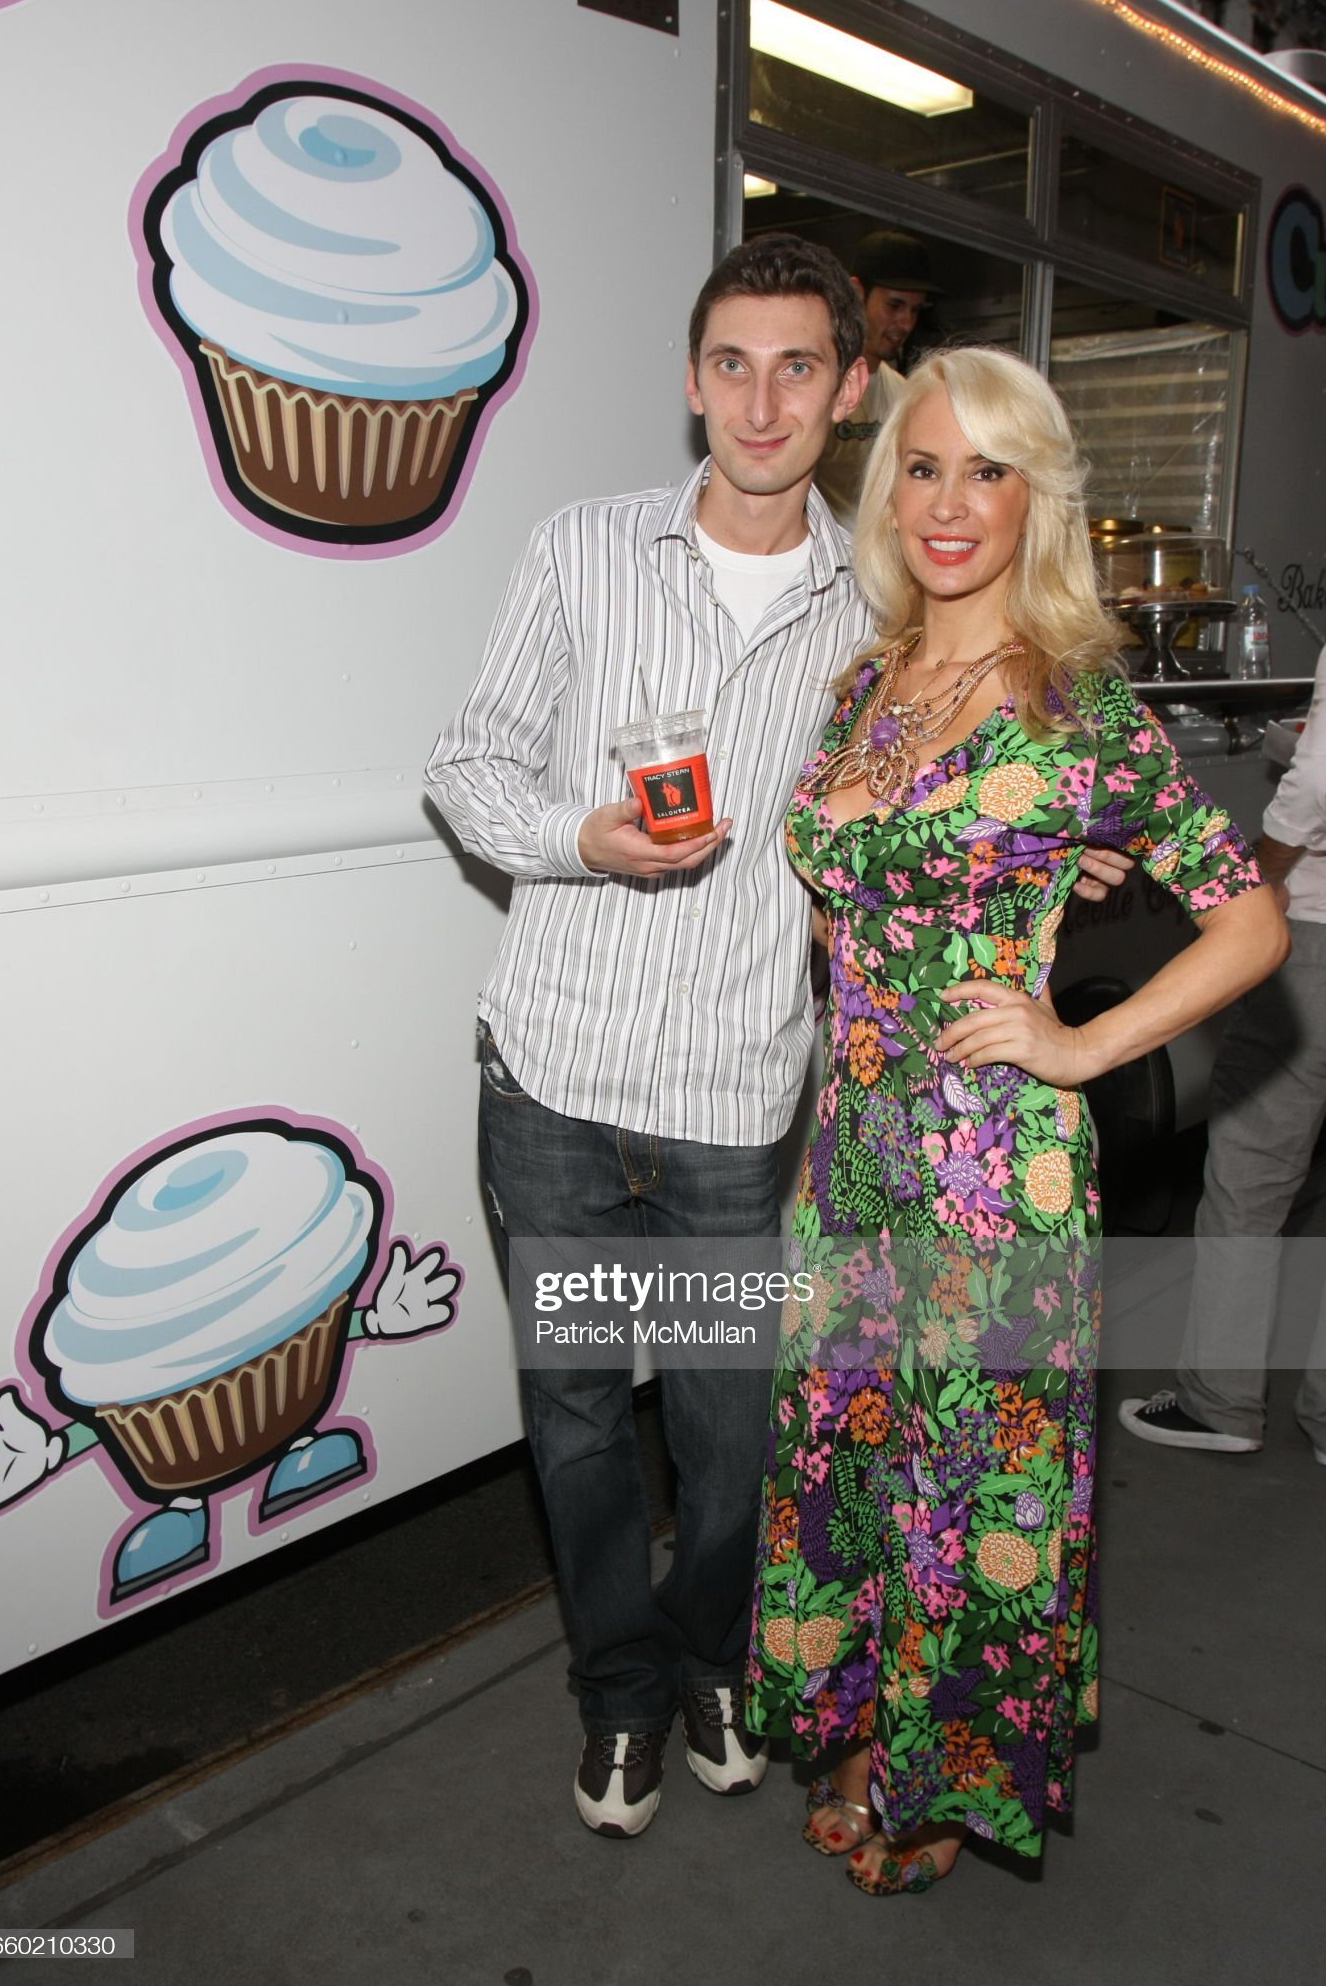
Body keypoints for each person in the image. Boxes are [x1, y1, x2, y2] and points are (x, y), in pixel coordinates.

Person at [426, 240, 1126, 1842]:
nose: (761, 402)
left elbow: (972, 767)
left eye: (797, 366)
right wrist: (580, 840)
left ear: (850, 387)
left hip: (739, 1100)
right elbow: (466, 766)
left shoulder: (881, 608)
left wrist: (1050, 842)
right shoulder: (581, 549)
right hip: (555, 1077)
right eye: (731, 365)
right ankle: (619, 1695)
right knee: (579, 1421)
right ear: (691, 381)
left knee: (736, 1426)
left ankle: (712, 1657)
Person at [746, 346, 1287, 1895]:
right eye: (922, 466)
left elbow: (1250, 922)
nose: (949, 501)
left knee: (967, 1482)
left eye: (987, 470)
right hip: (851, 1154)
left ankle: (941, 1784)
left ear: (1034, 499)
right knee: (852, 1455)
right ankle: (861, 1728)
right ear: (886, 492)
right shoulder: (864, 682)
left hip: (995, 1174)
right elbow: (843, 894)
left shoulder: (1077, 703)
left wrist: (1080, 1041)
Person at [1120, 639, 1326, 1465]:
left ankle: (1220, 1402)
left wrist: (1260, 874)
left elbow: (1314, 781)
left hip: (1314, 930)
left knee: (1251, 1173)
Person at [814, 227, 938, 531]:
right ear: (857, 293)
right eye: (894, 305)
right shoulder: (819, 389)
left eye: (914, 310)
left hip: (885, 555)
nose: (905, 323)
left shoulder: (906, 394)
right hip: (825, 553)